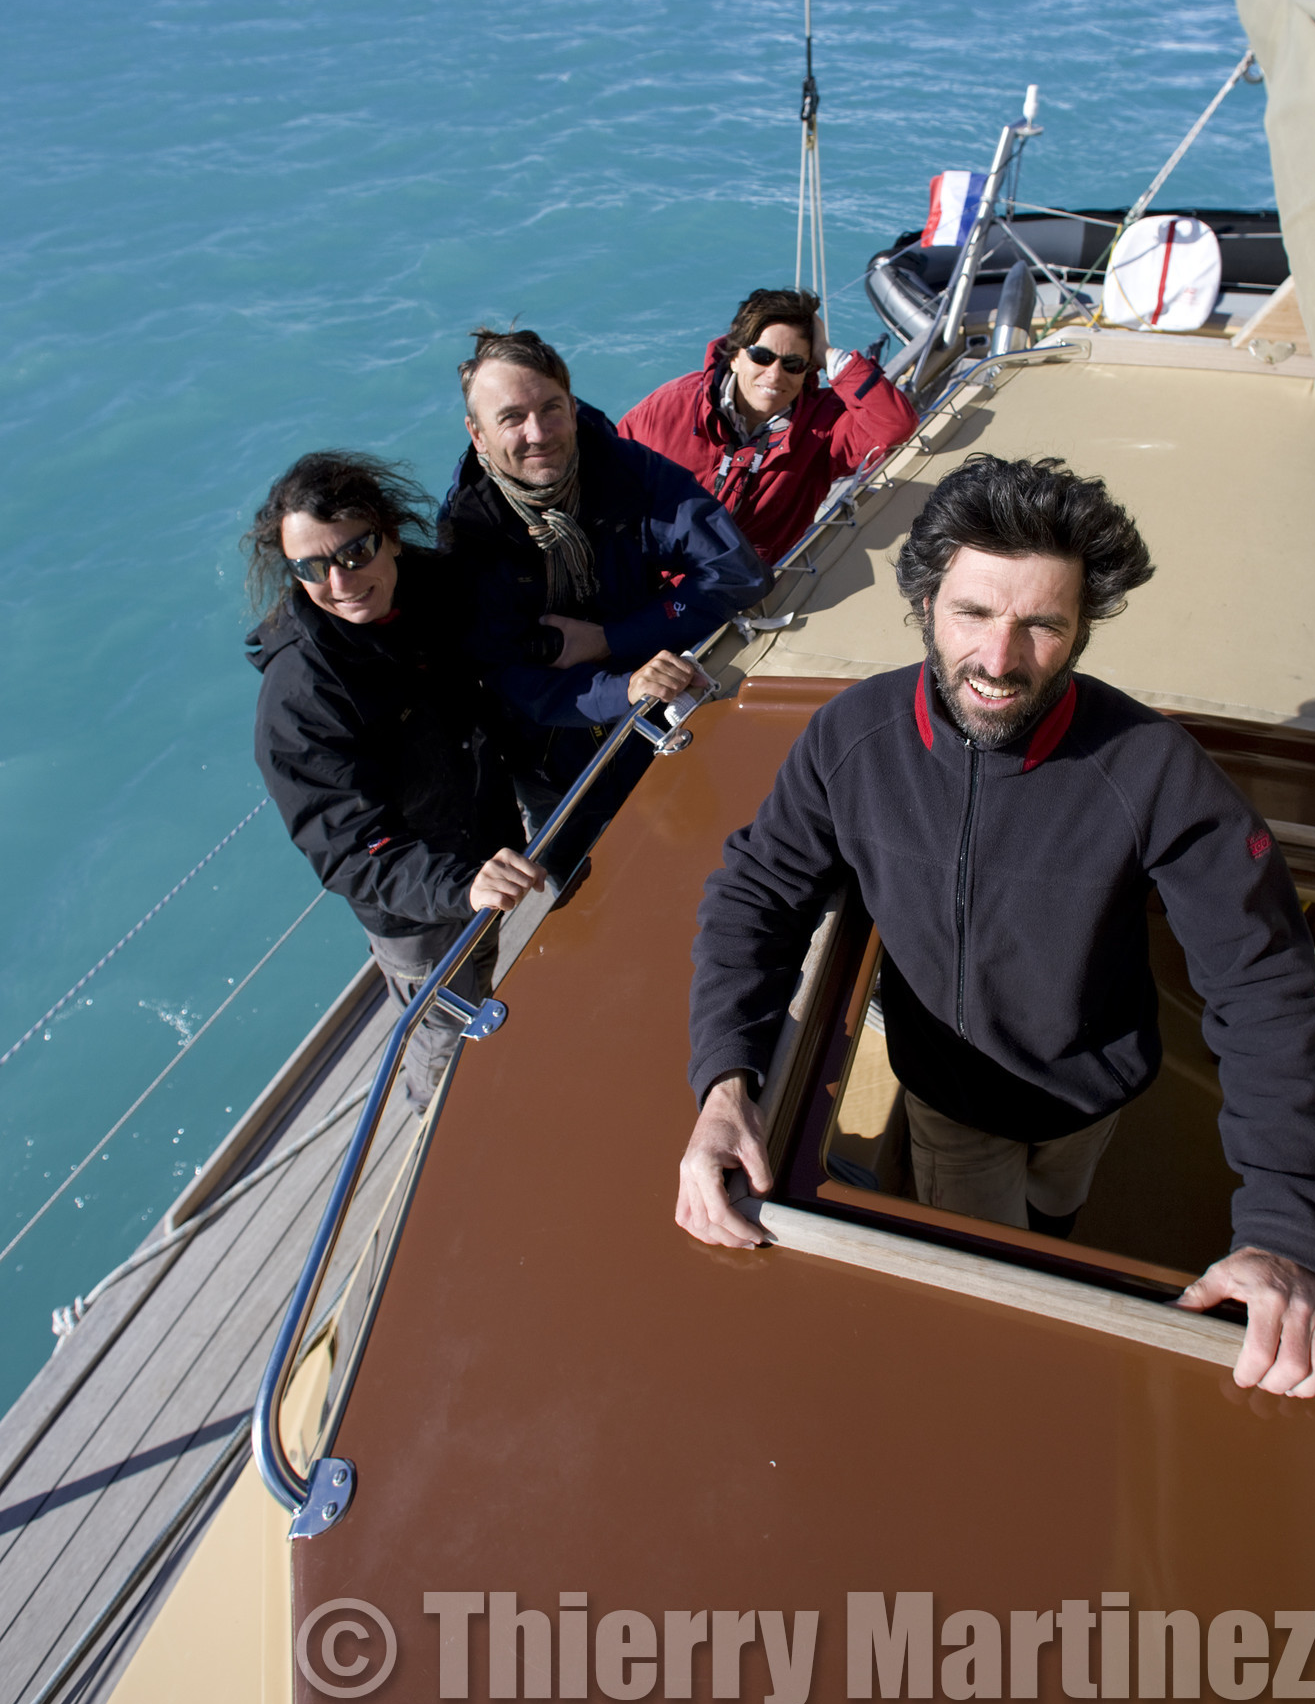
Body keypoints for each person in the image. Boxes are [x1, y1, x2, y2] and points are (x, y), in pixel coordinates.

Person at [676, 454, 1315, 1404]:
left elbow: (1262, 982)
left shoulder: (1154, 771)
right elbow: (757, 894)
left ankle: (1059, 1224)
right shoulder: (851, 739)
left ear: (1083, 629)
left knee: (1059, 1208)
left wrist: (1287, 1232)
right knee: (998, 1280)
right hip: (951, 1100)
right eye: (973, 614)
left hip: (1097, 1092)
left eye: (1041, 623)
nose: (999, 661)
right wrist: (724, 1085)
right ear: (925, 603)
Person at [246, 451, 693, 1112]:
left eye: (355, 551)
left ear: (391, 535)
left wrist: (616, 677)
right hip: (414, 904)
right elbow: (346, 850)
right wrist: (461, 885)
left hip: (488, 833)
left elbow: (512, 650)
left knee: (506, 967)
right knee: (447, 1030)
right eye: (311, 568)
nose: (340, 582)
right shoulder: (300, 698)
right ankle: (433, 1123)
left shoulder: (436, 588)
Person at [438, 327, 769, 826]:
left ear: (572, 407)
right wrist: (623, 687)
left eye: (550, 408)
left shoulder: (623, 470)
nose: (538, 432)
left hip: (662, 702)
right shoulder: (471, 532)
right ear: (477, 434)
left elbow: (737, 572)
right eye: (511, 418)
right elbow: (505, 673)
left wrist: (612, 640)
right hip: (554, 757)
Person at [617, 288, 918, 564]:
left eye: (793, 364)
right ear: (735, 356)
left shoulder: (824, 427)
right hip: (646, 577)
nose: (774, 375)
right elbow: (607, 472)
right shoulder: (669, 408)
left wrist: (827, 352)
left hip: (749, 598)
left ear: (808, 370)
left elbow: (896, 425)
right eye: (761, 357)